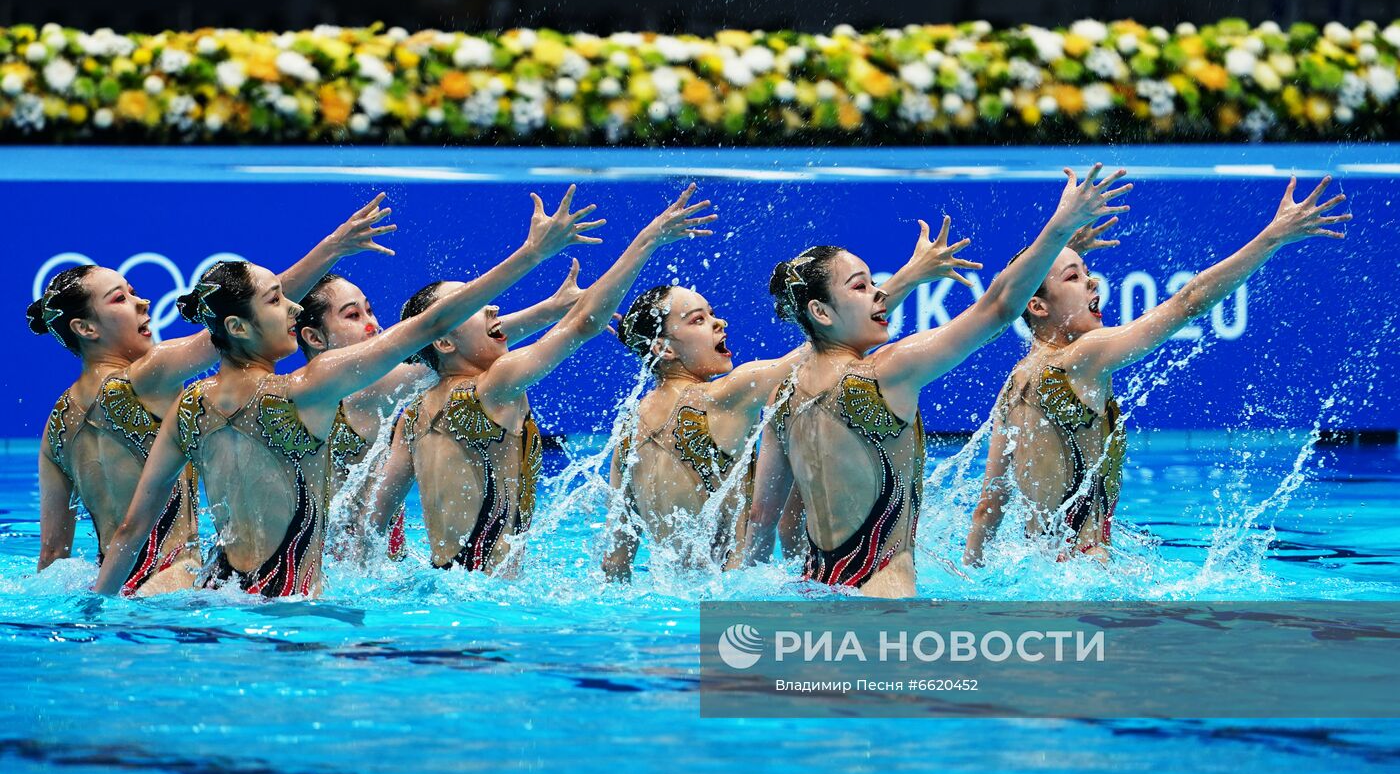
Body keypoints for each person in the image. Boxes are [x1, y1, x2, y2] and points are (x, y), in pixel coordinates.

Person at [92, 187, 603, 596]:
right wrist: (531, 255)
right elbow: (434, 327)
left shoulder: (190, 404)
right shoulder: (308, 389)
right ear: (241, 327)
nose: (292, 309)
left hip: (215, 600)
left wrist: (95, 614)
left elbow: (131, 529)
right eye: (277, 302)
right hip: (295, 614)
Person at [745, 164, 1131, 598]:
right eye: (861, 287)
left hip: (812, 593)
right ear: (821, 312)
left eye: (876, 283)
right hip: (884, 601)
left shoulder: (782, 396)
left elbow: (767, 520)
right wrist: (1059, 228)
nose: (878, 292)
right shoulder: (887, 372)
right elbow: (999, 308)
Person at [962, 176, 1349, 565]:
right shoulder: (1085, 355)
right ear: (1038, 307)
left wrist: (973, 571)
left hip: (1041, 566)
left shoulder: (1016, 384)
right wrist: (1273, 237)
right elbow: (1189, 301)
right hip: (1090, 567)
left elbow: (988, 508)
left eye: (1086, 271)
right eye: (1074, 278)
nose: (1092, 281)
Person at [29, 195, 396, 595]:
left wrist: (97, 601)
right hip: (176, 584)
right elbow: (240, 314)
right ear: (86, 329)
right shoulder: (146, 378)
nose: (143, 302)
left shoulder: (57, 425)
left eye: (133, 291)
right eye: (120, 298)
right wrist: (333, 248)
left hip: (114, 584)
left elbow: (51, 555)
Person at [601, 215, 982, 580]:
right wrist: (909, 277)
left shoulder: (628, 431)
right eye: (697, 320)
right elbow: (820, 352)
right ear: (664, 349)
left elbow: (616, 559)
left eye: (712, 313)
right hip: (736, 591)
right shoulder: (719, 397)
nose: (719, 323)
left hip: (679, 600)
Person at [367, 185, 716, 573]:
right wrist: (647, 241)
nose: (494, 306)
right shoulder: (494, 387)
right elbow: (585, 325)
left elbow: (373, 522)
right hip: (492, 605)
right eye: (472, 305)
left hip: (440, 592)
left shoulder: (413, 414)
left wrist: (551, 308)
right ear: (445, 340)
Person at [293, 263, 585, 560]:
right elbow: (458, 340)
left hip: (331, 564)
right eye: (354, 315)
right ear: (314, 338)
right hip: (367, 567)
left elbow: (457, 336)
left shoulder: (299, 394)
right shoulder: (366, 391)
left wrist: (550, 309)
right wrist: (550, 311)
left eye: (370, 310)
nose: (373, 324)